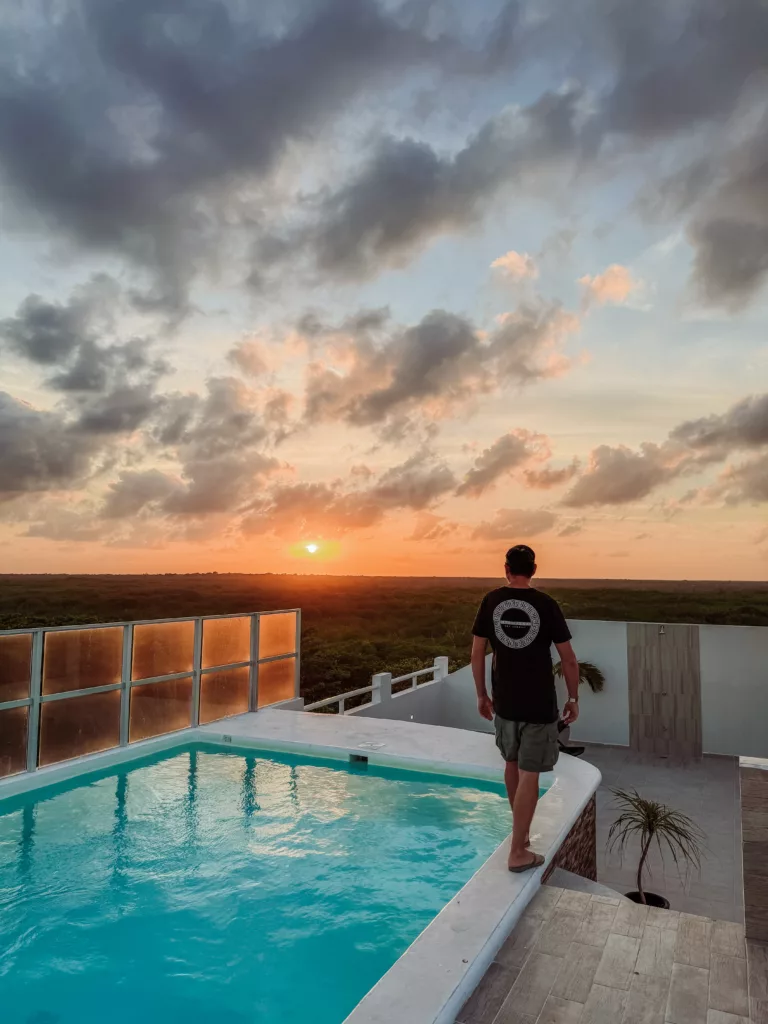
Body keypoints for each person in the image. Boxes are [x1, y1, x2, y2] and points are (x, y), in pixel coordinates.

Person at [471, 544, 580, 872]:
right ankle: (518, 850)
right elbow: (569, 658)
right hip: (538, 703)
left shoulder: (491, 601)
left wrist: (481, 695)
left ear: (506, 568)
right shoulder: (546, 604)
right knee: (529, 773)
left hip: (505, 701)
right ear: (533, 569)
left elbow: (477, 653)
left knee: (512, 764)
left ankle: (521, 836)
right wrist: (573, 698)